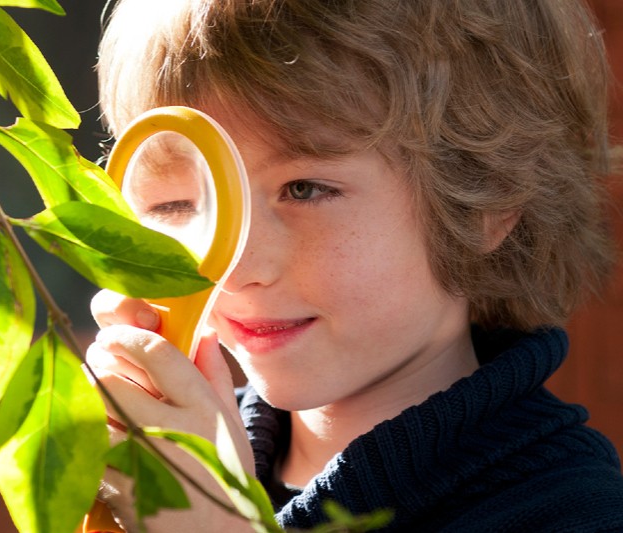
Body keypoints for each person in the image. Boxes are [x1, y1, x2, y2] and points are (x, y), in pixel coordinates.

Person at [85, 0, 623, 531]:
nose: (236, 267)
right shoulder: (178, 453)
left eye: (305, 189)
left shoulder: (570, 508)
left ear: (486, 199)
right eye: (178, 203)